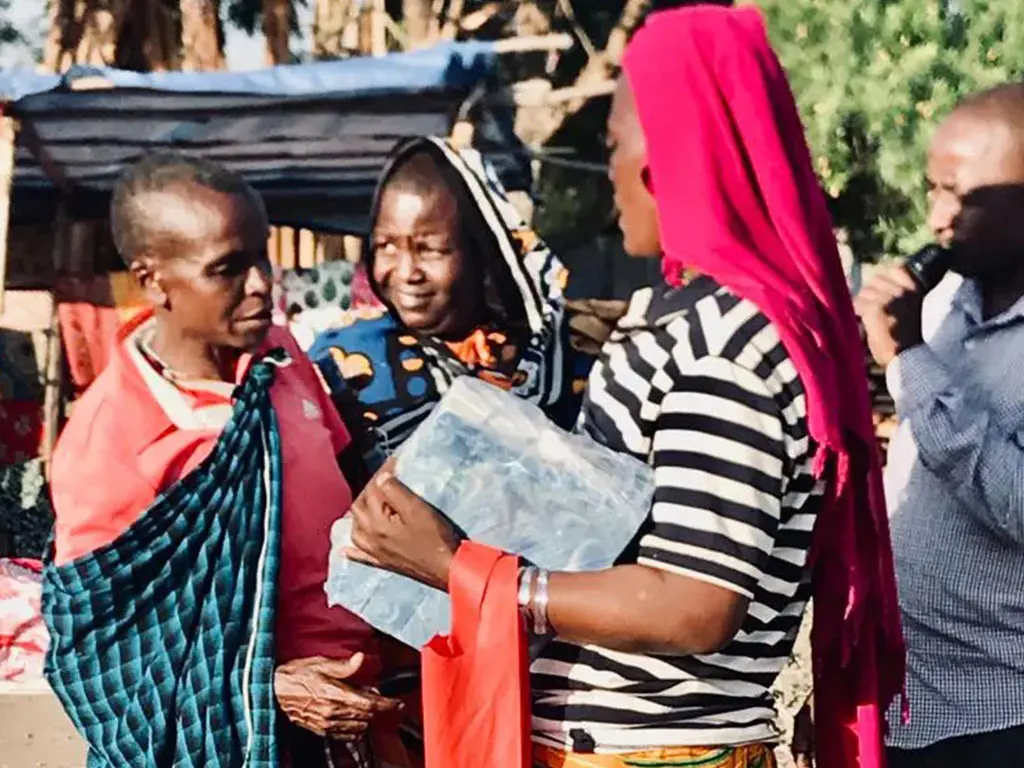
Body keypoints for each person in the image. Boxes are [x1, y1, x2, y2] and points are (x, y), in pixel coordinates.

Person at [344, 6, 904, 768]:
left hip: (650, 753)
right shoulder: (689, 318)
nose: (607, 173)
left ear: (664, 157)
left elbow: (694, 602)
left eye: (613, 146)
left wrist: (457, 566)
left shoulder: (726, 346)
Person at [42, 153, 412, 768]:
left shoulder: (279, 356)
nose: (262, 284)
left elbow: (346, 492)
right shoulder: (112, 440)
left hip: (362, 720)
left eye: (260, 256)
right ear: (153, 281)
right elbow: (103, 660)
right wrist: (267, 687)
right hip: (246, 742)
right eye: (227, 269)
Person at [855, 83, 1024, 766]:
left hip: (1000, 715)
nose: (939, 219)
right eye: (931, 191)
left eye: (963, 196)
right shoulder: (945, 298)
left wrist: (909, 358)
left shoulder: (919, 335)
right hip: (905, 700)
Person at [307, 136, 588, 465]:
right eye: (386, 246)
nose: (407, 271)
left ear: (481, 253)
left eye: (430, 249)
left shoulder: (561, 358)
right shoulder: (341, 361)